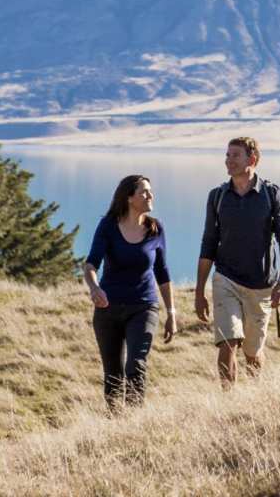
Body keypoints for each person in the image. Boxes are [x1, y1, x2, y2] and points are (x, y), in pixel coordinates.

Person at [195, 136, 280, 386]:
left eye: (235, 155)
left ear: (253, 159)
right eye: (227, 155)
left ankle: (254, 396)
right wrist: (199, 291)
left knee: (252, 353)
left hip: (261, 286)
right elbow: (208, 242)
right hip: (225, 278)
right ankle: (228, 400)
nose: (228, 160)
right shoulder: (217, 196)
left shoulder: (271, 193)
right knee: (228, 341)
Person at [83, 174, 177, 410]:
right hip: (108, 309)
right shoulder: (108, 226)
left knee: (136, 365)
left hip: (144, 307)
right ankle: (115, 422)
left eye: (150, 190)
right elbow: (91, 264)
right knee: (113, 374)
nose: (150, 195)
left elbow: (163, 274)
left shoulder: (155, 228)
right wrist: (94, 288)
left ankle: (135, 419)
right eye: (143, 192)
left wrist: (171, 313)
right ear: (128, 198)